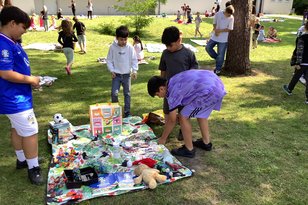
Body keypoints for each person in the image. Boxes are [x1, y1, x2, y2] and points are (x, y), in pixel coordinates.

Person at [0, 6, 43, 185]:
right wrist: (30, 79)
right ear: (12, 23)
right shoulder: (3, 44)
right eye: (23, 27)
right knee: (31, 131)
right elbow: (5, 73)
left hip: (16, 96)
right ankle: (34, 169)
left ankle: (22, 160)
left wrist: (29, 81)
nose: (24, 32)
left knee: (17, 128)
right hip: (15, 99)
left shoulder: (10, 42)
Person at [147, 69, 226, 158]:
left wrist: (163, 138)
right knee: (200, 113)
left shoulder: (172, 93)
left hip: (210, 91)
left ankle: (189, 149)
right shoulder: (172, 80)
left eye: (158, 94)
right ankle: (206, 143)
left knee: (183, 117)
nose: (160, 97)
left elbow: (172, 120)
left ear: (161, 88)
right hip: (216, 83)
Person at [159, 26, 199, 141]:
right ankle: (167, 130)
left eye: (170, 45)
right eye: (166, 46)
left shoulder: (188, 53)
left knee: (184, 113)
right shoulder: (165, 53)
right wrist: (162, 84)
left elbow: (194, 70)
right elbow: (163, 70)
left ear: (178, 41)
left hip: (185, 91)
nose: (168, 48)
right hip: (169, 90)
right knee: (168, 112)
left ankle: (183, 130)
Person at [106, 25, 138, 118]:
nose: (123, 42)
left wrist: (134, 71)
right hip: (116, 75)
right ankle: (115, 112)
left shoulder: (130, 48)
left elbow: (134, 60)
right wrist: (111, 70)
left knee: (127, 93)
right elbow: (109, 60)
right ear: (117, 38)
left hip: (127, 75)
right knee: (114, 93)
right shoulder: (112, 47)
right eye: (121, 40)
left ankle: (127, 112)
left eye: (125, 39)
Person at [282, 21, 308, 104]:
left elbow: (299, 51)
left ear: (306, 27)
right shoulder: (302, 37)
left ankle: (289, 89)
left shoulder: (302, 38)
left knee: (296, 76)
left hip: (302, 62)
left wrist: (297, 63)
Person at [206, 5, 234, 75]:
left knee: (221, 54)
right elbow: (214, 23)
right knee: (208, 48)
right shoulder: (218, 14)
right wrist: (216, 30)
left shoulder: (231, 18)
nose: (229, 16)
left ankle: (218, 69)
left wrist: (220, 31)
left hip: (223, 39)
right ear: (226, 11)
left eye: (230, 15)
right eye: (228, 14)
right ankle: (218, 59)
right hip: (214, 37)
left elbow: (230, 28)